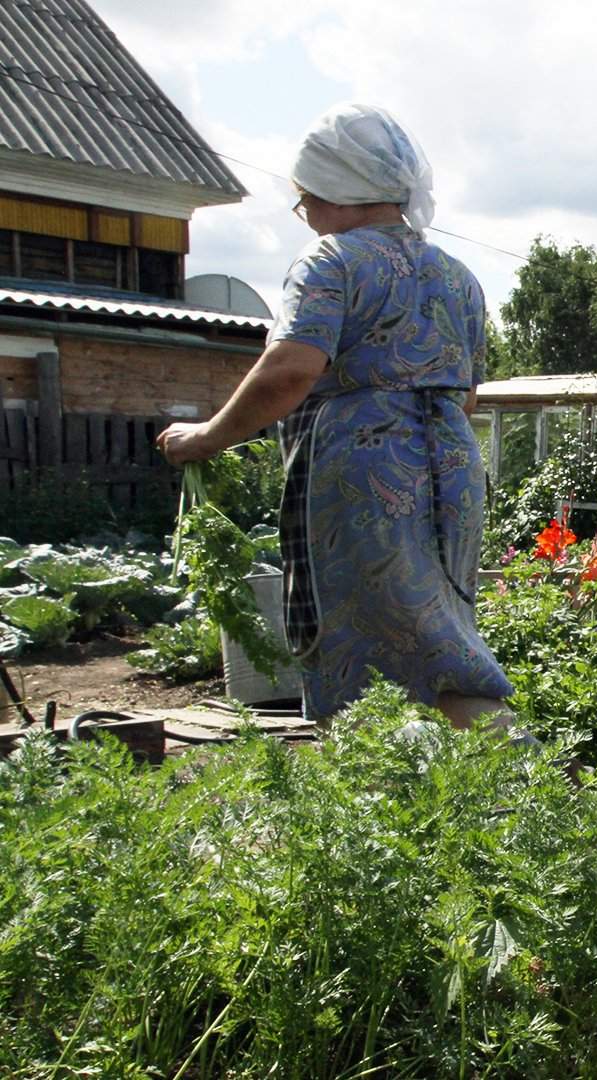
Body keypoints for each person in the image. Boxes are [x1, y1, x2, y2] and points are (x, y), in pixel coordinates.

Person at [158, 103, 515, 731]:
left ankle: (512, 786)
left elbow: (290, 370)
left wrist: (204, 439)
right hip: (453, 468)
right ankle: (448, 803)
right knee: (437, 631)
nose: (309, 215)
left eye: (307, 200)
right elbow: (466, 399)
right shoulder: (459, 277)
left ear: (335, 189)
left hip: (367, 470)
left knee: (375, 645)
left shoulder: (332, 260)